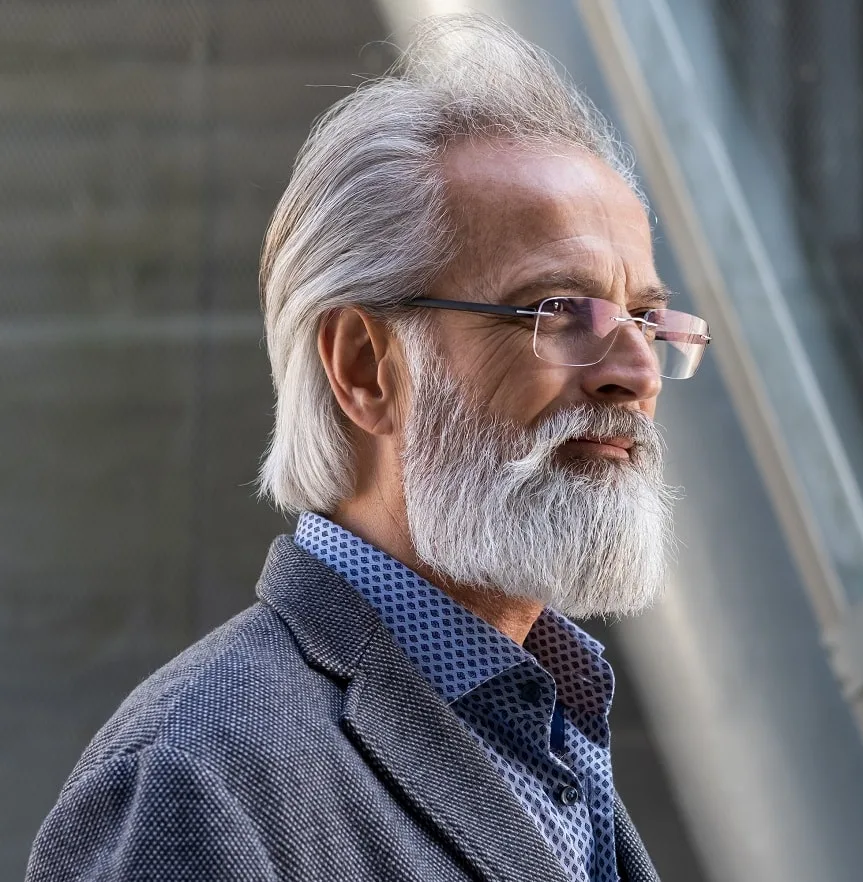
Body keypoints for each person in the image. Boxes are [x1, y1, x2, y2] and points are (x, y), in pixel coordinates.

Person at [26, 14, 710, 882]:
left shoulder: (552, 725)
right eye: (560, 311)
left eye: (646, 320)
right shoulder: (194, 778)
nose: (636, 373)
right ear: (364, 368)